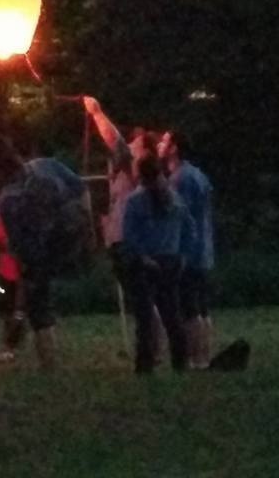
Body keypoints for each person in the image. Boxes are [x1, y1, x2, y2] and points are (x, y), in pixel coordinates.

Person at [0, 136, 93, 370]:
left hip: (39, 254)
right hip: (69, 240)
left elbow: (18, 245)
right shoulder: (46, 165)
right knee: (38, 300)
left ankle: (49, 363)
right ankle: (46, 356)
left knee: (39, 308)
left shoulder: (8, 200)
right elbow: (81, 189)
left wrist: (23, 271)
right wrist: (87, 226)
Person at [83, 97, 167, 359]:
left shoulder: (140, 168)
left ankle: (151, 350)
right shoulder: (131, 169)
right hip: (121, 239)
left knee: (142, 299)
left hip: (129, 242)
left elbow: (116, 142)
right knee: (140, 299)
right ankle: (154, 347)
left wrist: (97, 113)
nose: (132, 142)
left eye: (138, 141)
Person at [121, 155, 193, 373]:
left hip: (145, 264)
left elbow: (129, 236)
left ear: (141, 176)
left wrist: (141, 256)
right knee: (172, 314)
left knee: (144, 318)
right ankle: (180, 362)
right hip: (171, 260)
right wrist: (183, 254)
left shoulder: (135, 201)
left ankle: (145, 364)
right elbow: (190, 230)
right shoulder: (175, 200)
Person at [159, 130, 215, 369]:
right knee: (202, 307)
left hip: (188, 253)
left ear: (174, 148)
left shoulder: (179, 179)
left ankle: (196, 358)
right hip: (203, 250)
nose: (160, 144)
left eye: (164, 141)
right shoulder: (198, 175)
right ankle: (205, 356)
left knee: (189, 308)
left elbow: (180, 217)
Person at [0, 212, 26, 362]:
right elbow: (1, 238)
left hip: (24, 268)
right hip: (6, 270)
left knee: (20, 308)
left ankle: (11, 345)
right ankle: (11, 344)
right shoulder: (2, 209)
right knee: (7, 305)